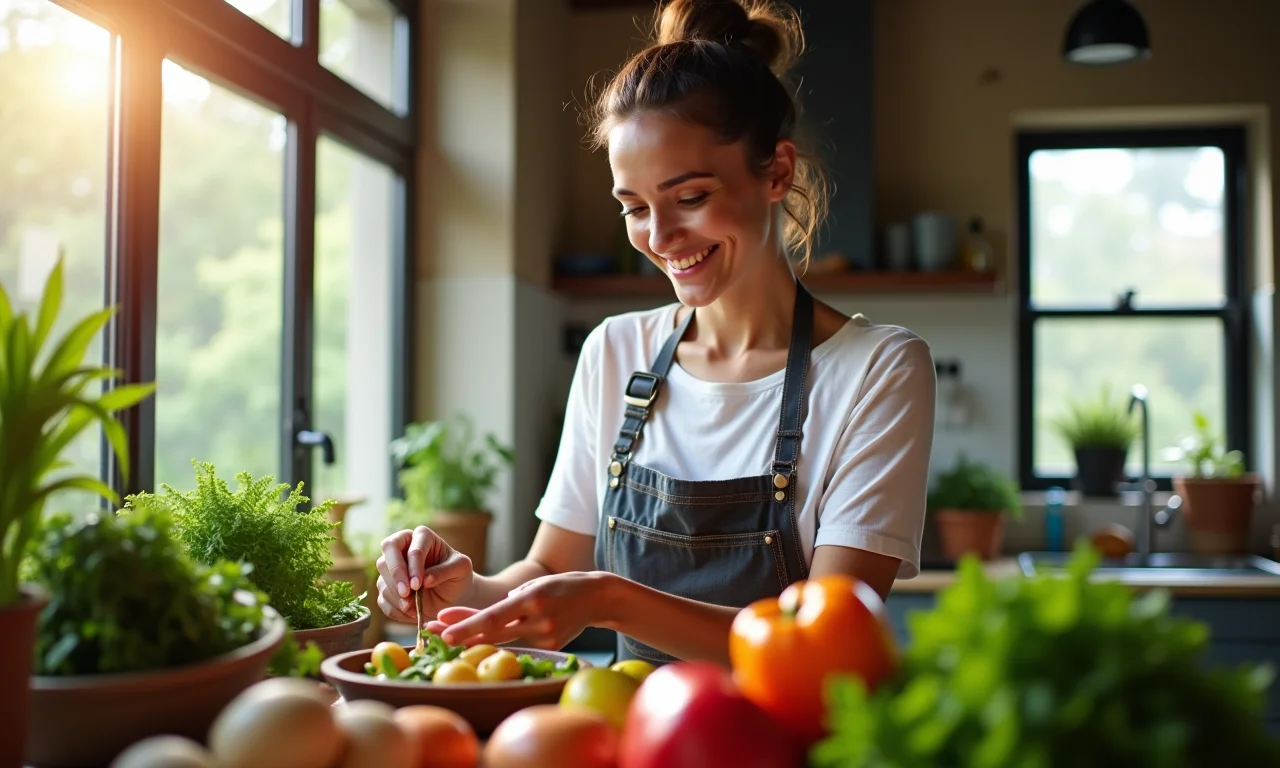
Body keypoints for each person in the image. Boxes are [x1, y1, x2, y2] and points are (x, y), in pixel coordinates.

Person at [376, 0, 936, 666]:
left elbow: (824, 646)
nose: (660, 238)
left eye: (691, 198)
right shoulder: (616, 352)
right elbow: (548, 569)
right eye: (635, 208)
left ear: (777, 172)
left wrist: (611, 600)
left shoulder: (879, 370)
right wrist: (464, 589)